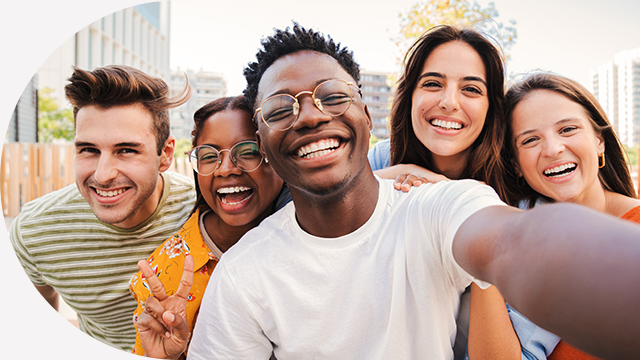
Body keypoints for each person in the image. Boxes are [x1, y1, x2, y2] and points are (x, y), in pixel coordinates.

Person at [170, 24, 639, 360]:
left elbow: (508, 238)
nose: (310, 116)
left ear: (365, 113)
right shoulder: (246, 271)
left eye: (333, 96)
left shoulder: (458, 203)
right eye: (279, 109)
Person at [8, 65, 196, 352]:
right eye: (88, 150)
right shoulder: (36, 232)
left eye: (126, 150)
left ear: (165, 155)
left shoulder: (203, 210)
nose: (103, 174)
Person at [368, 25, 520, 360]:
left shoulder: (520, 199)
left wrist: (474, 216)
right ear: (409, 95)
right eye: (433, 84)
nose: (449, 102)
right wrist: (399, 178)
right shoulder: (382, 160)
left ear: (492, 107)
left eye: (471, 89)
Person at [128, 95, 287, 359]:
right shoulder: (167, 275)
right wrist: (167, 355)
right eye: (209, 156)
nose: (225, 169)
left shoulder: (310, 235)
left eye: (248, 151)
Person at [499, 73, 640, 360]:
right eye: (530, 140)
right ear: (515, 164)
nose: (552, 149)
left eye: (567, 129)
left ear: (600, 141)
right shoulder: (512, 225)